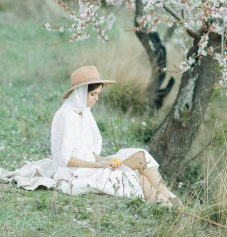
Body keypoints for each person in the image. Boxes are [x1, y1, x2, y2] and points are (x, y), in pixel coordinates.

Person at [50, 66, 182, 206]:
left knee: (141, 156)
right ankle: (169, 208)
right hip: (75, 172)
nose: (97, 98)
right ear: (81, 93)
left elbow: (88, 151)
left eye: (98, 94)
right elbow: (66, 159)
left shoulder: (85, 112)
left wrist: (105, 161)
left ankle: (170, 199)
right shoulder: (65, 115)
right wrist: (98, 165)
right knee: (140, 180)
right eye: (93, 94)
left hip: (93, 165)